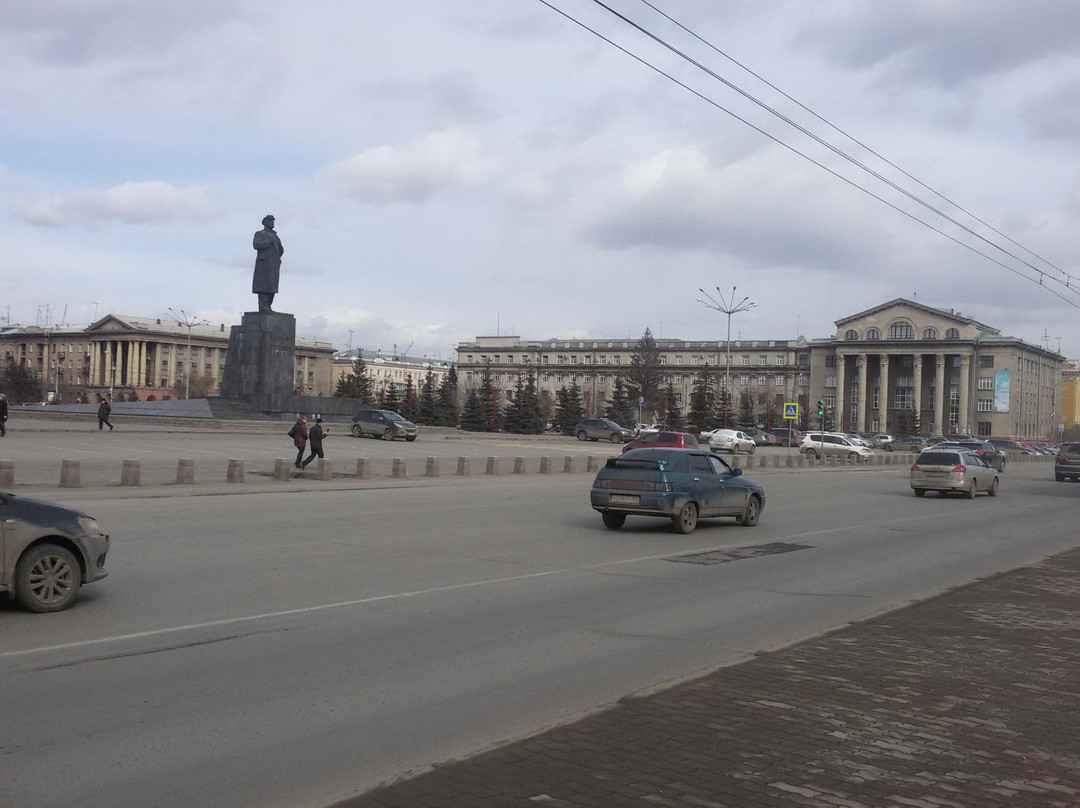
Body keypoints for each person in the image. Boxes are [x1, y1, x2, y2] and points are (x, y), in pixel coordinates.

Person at [252, 214, 284, 313]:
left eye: (273, 221)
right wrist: (268, 242)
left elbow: (281, 249)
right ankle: (263, 306)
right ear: (265, 222)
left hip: (274, 264)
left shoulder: (275, 235)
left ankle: (268, 306)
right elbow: (256, 245)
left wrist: (277, 258)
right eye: (270, 221)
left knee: (272, 287)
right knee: (263, 286)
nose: (272, 222)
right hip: (264, 264)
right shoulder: (260, 233)